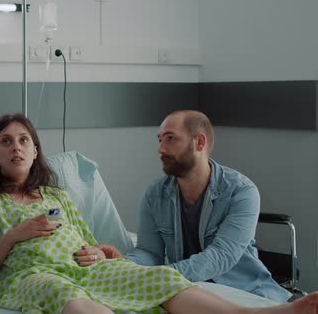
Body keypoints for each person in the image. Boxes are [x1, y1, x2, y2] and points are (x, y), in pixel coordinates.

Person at [0, 113, 318, 314]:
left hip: (87, 269)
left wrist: (99, 253)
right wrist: (16, 234)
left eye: (24, 140)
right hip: (34, 276)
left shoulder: (56, 195)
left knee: (159, 280)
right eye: (6, 141)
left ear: (35, 151)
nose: (17, 147)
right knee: (68, 295)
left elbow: (87, 243)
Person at [95, 110, 291, 303]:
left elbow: (221, 256)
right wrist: (124, 263)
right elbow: (149, 253)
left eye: (170, 138)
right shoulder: (154, 194)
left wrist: (158, 277)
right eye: (160, 139)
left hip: (245, 289)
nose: (161, 149)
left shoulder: (241, 191)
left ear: (200, 142)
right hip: (188, 290)